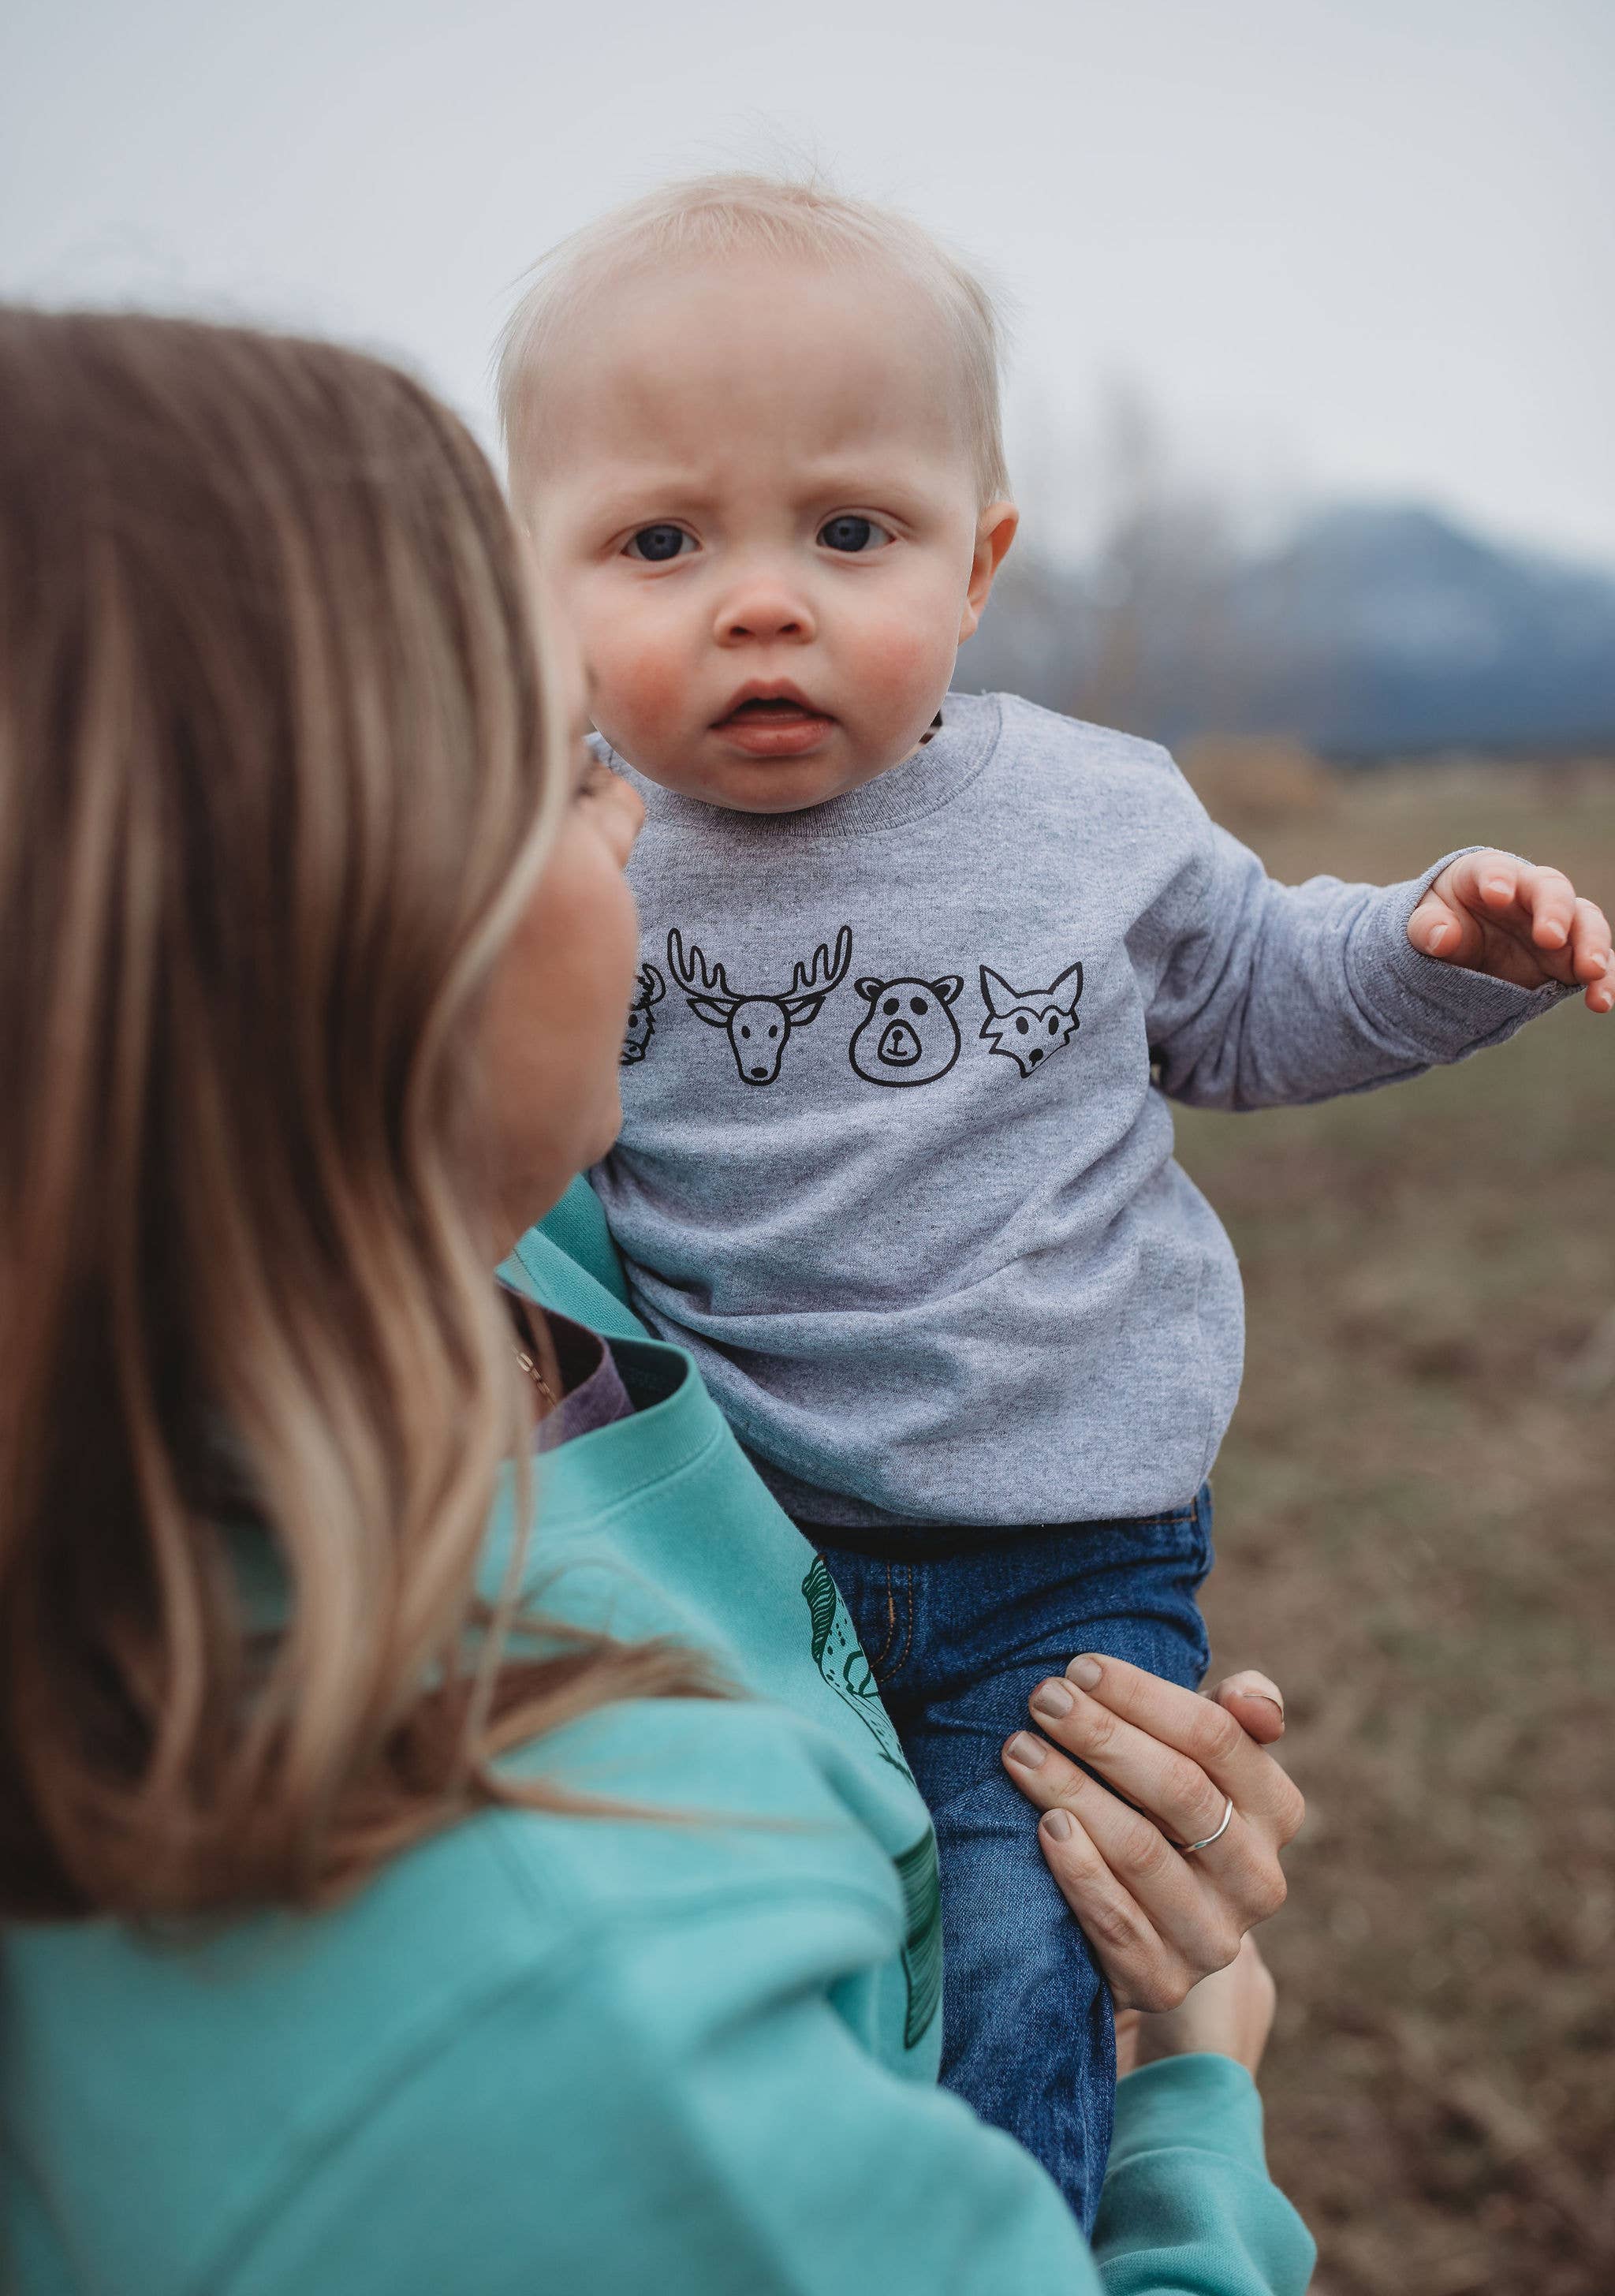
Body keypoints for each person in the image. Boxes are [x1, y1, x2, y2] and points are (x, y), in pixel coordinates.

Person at [0, 305, 1312, 2294]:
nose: (639, 820)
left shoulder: (506, 1273)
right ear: (351, 911)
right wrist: (1193, 2093)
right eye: (563, 768)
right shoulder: (572, 2032)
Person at [497, 169, 1615, 2224]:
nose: (764, 600)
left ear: (980, 560)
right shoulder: (573, 869)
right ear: (537, 580)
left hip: (1063, 1559)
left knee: (1031, 1966)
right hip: (736, 1549)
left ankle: (1023, 2258)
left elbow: (1265, 996)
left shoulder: (1090, 815)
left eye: (852, 533)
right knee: (789, 1988)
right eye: (662, 542)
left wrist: (1433, 950)